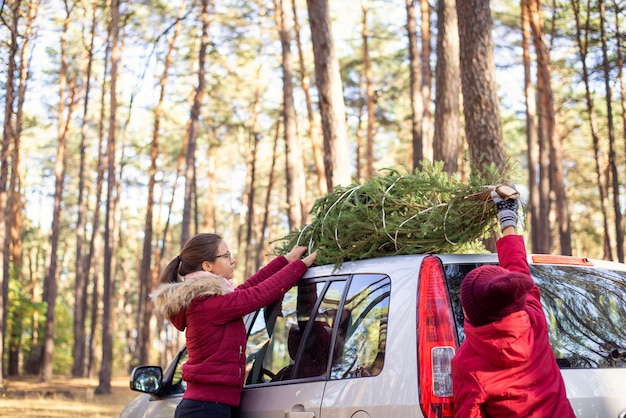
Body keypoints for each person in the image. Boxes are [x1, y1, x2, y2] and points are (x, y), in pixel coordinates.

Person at [150, 233, 316, 418]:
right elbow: (258, 295)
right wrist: (299, 266)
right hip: (206, 410)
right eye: (227, 255)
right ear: (207, 266)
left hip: (207, 407)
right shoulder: (207, 303)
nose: (233, 260)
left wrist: (285, 261)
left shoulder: (209, 300)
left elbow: (247, 289)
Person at [451, 188, 575, 417]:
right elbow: (517, 268)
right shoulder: (533, 321)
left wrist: (506, 216)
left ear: (470, 313)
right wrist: (507, 217)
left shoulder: (467, 363)